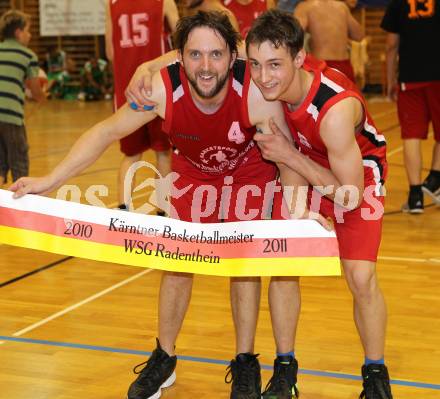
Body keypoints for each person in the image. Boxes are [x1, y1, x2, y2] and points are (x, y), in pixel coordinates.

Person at [11, 11, 307, 399]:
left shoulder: (254, 92)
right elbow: (105, 131)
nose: (205, 66)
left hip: (248, 173)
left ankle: (245, 360)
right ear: (179, 57)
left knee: (244, 264)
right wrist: (51, 180)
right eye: (195, 55)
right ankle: (164, 355)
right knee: (177, 262)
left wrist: (295, 217)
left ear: (232, 56)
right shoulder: (161, 89)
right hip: (192, 172)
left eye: (216, 55)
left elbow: (287, 158)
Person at [245, 10, 391, 398]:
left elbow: (349, 194)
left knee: (360, 278)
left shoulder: (334, 110)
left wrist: (293, 159)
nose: (263, 77)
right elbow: (202, 48)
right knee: (283, 263)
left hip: (355, 174)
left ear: (298, 58)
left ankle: (376, 374)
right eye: (256, 65)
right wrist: (301, 213)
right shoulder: (267, 85)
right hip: (305, 162)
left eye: (274, 65)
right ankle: (285, 368)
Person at [105, 0, 179, 212]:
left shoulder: (112, 4)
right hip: (157, 88)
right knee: (163, 152)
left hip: (127, 91)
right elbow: (183, 39)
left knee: (131, 155)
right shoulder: (163, 2)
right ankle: (163, 210)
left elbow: (110, 52)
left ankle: (124, 208)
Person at [381, 0, 440, 213]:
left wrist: (389, 80)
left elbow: (390, 46)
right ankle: (435, 177)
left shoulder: (398, 2)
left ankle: (415, 196)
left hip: (411, 75)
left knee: (411, 135)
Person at [0, 10, 45, 187]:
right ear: (18, 33)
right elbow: (35, 92)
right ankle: (17, 211)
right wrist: (42, 97)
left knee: (0, 166)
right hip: (11, 117)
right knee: (19, 165)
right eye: (28, 30)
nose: (30, 35)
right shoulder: (28, 56)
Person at [294, 0, 364, 83]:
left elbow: (293, 37)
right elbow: (359, 36)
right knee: (348, 96)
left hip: (321, 67)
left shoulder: (305, 7)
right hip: (344, 66)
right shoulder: (342, 7)